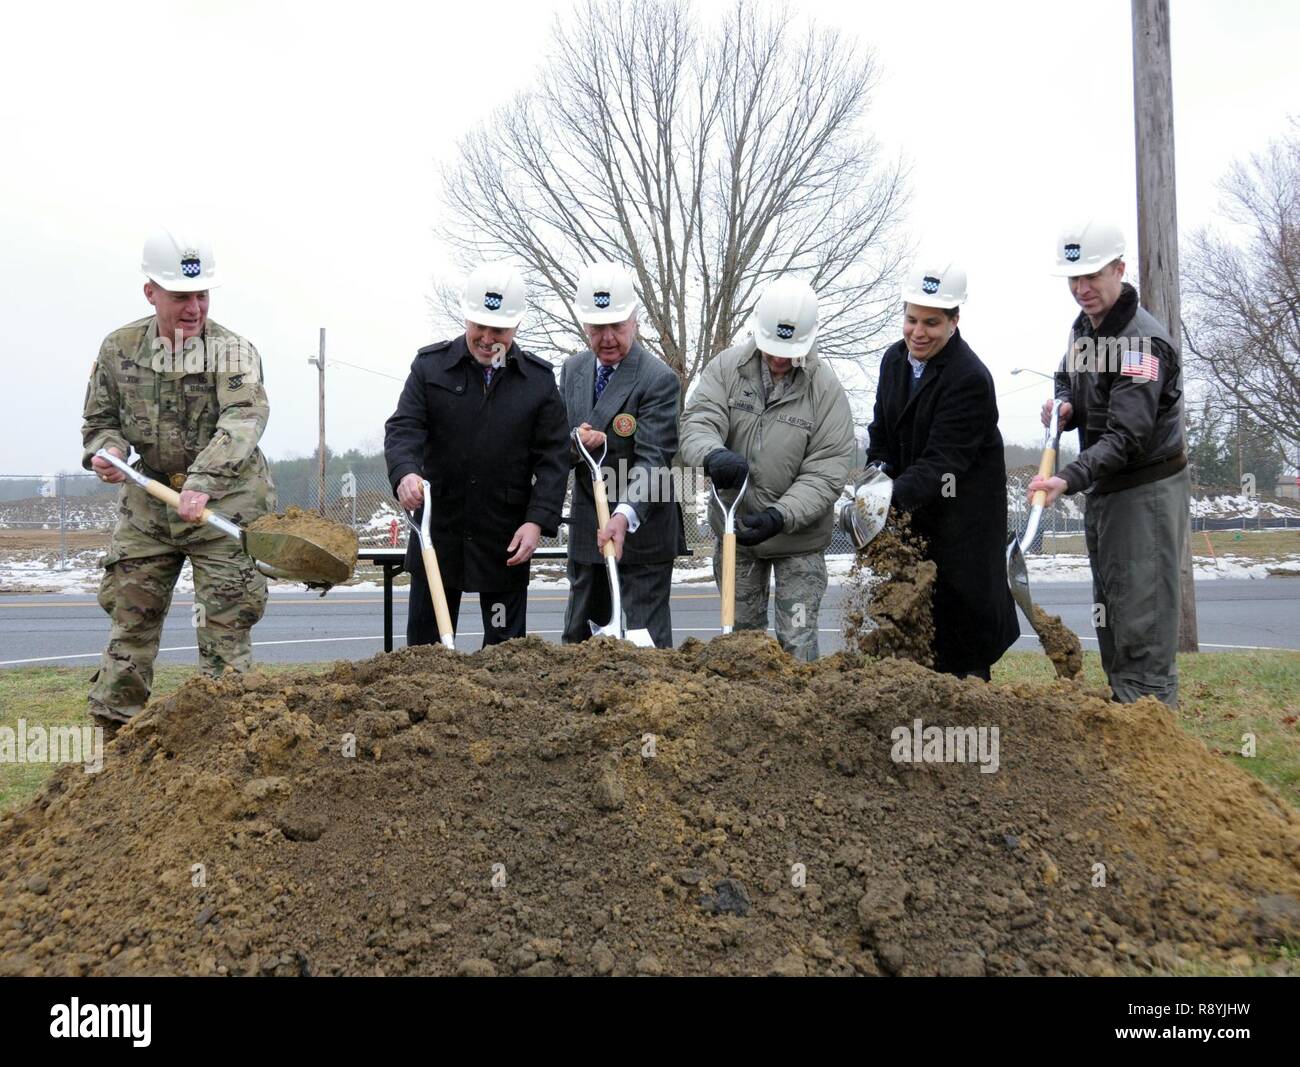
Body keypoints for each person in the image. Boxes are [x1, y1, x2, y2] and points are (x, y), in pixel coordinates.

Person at [82, 229, 275, 728]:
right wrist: (107, 451)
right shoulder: (118, 350)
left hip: (225, 502)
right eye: (181, 296)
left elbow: (243, 421)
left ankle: (231, 747)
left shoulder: (233, 352)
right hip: (149, 503)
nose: (194, 308)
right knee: (131, 622)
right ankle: (111, 750)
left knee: (225, 629)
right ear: (152, 292)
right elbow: (100, 421)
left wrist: (203, 481)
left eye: (202, 295)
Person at [1029, 220, 1188, 706]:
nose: (1081, 289)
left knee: (1142, 615)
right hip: (1107, 491)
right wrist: (1065, 406)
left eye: (1092, 276)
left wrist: (1068, 478)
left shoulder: (1143, 344)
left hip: (1145, 494)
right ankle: (1128, 713)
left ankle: (1153, 727)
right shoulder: (1085, 329)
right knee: (1114, 611)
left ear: (1119, 269)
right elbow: (1066, 377)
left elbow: (1128, 436)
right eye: (1073, 279)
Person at [384, 263, 569, 647]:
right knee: (426, 652)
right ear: (466, 317)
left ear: (515, 327)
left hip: (504, 542)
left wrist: (536, 522)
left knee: (505, 654)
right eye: (479, 326)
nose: (487, 338)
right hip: (438, 535)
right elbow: (404, 428)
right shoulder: (430, 367)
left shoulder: (537, 382)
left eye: (498, 330)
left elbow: (553, 458)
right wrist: (405, 473)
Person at [679, 278, 855, 661]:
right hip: (736, 534)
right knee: (741, 643)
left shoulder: (825, 390)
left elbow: (827, 469)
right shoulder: (727, 369)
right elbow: (698, 421)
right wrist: (712, 455)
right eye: (772, 348)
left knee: (797, 640)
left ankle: (801, 717)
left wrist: (781, 515)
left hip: (800, 543)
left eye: (788, 351)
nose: (778, 358)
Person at [863, 261, 1018, 679]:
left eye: (931, 322)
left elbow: (941, 463)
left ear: (954, 321)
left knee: (959, 637)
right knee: (912, 632)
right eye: (911, 319)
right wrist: (876, 473)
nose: (918, 332)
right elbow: (881, 431)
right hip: (915, 522)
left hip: (960, 525)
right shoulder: (894, 362)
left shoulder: (969, 378)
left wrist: (884, 499)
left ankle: (969, 723)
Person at [560, 261, 687, 648]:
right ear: (585, 326)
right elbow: (556, 448)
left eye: (617, 325)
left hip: (641, 530)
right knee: (580, 645)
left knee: (644, 648)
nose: (609, 337)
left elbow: (654, 461)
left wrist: (623, 514)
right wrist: (575, 441)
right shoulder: (572, 370)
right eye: (598, 328)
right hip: (588, 528)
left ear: (635, 319)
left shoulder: (657, 378)